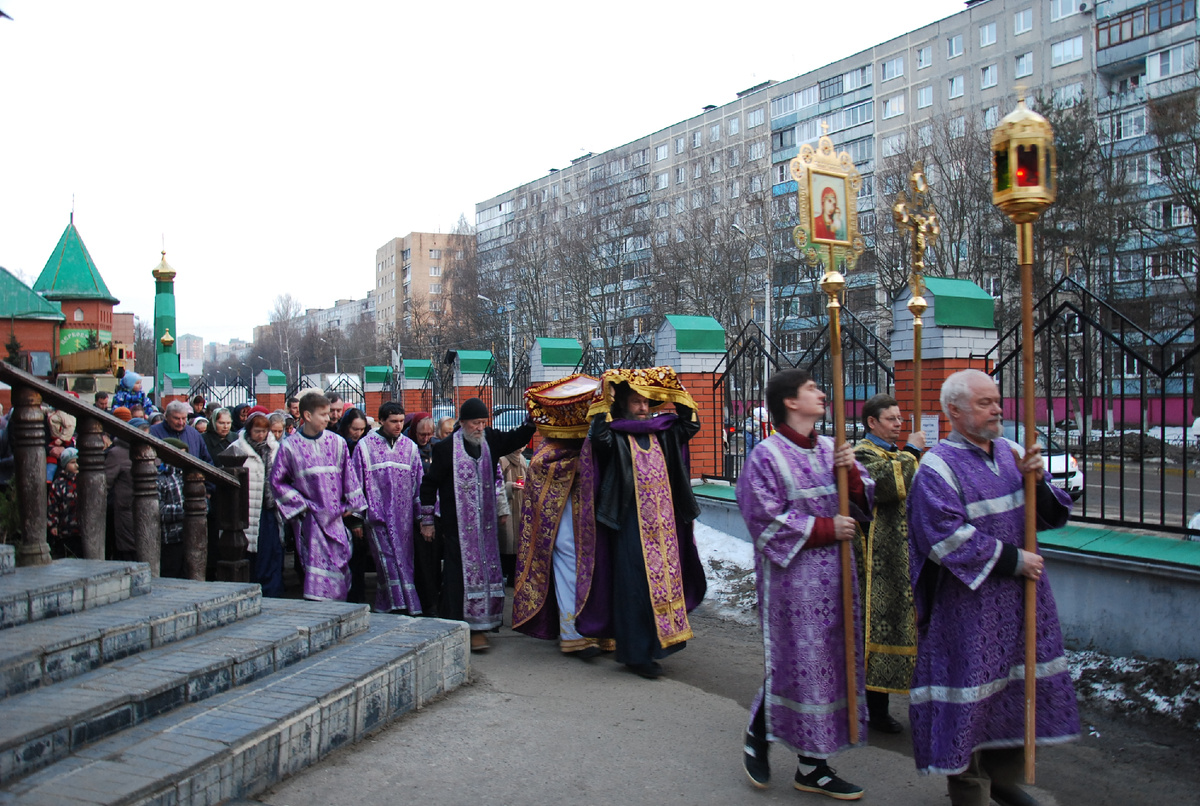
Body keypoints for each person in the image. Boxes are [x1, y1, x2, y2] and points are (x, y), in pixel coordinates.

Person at [906, 369, 1078, 806]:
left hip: (1022, 601)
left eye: (997, 400)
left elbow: (1048, 516)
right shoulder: (937, 467)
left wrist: (1037, 482)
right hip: (968, 606)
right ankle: (969, 790)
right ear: (954, 411)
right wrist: (1014, 560)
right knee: (969, 695)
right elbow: (943, 536)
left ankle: (1001, 780)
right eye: (985, 403)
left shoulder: (1013, 451)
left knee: (1014, 690)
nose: (997, 409)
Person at [736, 368, 873, 799]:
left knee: (829, 665)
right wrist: (827, 528)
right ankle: (760, 733)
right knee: (799, 663)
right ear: (790, 402)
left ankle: (812, 767)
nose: (821, 393)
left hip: (838, 578)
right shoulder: (766, 455)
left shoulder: (833, 448)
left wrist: (852, 476)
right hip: (793, 582)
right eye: (811, 388)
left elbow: (865, 498)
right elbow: (762, 516)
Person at [587, 367, 707, 680]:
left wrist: (673, 387)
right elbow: (598, 436)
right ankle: (636, 655)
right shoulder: (615, 435)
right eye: (636, 402)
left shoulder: (664, 430)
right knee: (634, 587)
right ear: (623, 404)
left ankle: (658, 645)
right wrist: (604, 396)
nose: (642, 408)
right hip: (629, 524)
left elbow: (690, 422)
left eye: (646, 401)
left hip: (665, 526)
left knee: (664, 586)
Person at [419, 398, 535, 651]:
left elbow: (515, 439)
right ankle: (463, 626)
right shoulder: (446, 448)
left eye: (483, 422)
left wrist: (532, 421)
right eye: (475, 423)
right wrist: (427, 521)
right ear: (462, 423)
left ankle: (483, 625)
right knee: (458, 576)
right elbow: (429, 485)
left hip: (486, 527)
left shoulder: (489, 439)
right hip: (457, 527)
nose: (480, 427)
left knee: (487, 573)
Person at [513, 374, 610, 657]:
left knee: (598, 570)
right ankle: (574, 634)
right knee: (569, 564)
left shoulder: (595, 443)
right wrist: (577, 467)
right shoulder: (548, 450)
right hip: (565, 528)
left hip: (594, 525)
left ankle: (600, 632)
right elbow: (541, 476)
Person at [853, 393, 925, 734]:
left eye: (900, 418)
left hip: (905, 556)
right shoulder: (861, 454)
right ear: (872, 422)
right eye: (891, 418)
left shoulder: (897, 454)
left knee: (908, 628)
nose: (899, 424)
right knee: (877, 630)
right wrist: (912, 453)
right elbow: (886, 485)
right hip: (877, 563)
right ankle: (874, 709)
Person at [270, 391, 366, 601]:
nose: (328, 418)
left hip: (336, 518)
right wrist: (302, 505)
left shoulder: (337, 442)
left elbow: (349, 475)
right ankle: (319, 610)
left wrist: (352, 505)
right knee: (317, 571)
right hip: (311, 520)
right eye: (323, 414)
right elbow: (277, 481)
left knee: (340, 568)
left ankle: (339, 611)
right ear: (307, 415)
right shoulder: (290, 446)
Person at [352, 401, 423, 614]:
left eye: (401, 421)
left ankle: (399, 604)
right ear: (382, 420)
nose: (398, 425)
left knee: (405, 561)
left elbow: (418, 482)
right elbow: (355, 483)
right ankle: (397, 605)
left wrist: (422, 516)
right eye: (393, 421)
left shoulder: (410, 447)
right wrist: (356, 519)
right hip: (377, 517)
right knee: (387, 563)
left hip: (404, 518)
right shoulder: (365, 447)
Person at [224, 409, 283, 596]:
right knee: (251, 552)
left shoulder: (274, 449)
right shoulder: (237, 448)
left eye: (264, 431)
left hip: (269, 508)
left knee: (271, 551)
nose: (261, 435)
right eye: (257, 431)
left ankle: (271, 592)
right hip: (248, 509)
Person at [334, 407, 370, 603]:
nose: (358, 433)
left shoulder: (363, 446)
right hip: (343, 509)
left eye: (361, 429)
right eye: (354, 429)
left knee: (358, 556)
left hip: (357, 509)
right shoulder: (340, 445)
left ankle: (357, 595)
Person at [405, 412, 439, 613]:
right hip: (413, 513)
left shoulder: (437, 447)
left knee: (433, 558)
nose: (425, 438)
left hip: (435, 511)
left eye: (429, 434)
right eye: (421, 434)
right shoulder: (408, 448)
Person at [157, 438, 190, 578]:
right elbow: (158, 510)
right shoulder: (160, 479)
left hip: (189, 535)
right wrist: (186, 511)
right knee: (171, 572)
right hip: (169, 538)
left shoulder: (187, 475)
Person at [48, 446, 81, 559]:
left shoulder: (82, 480)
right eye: (72, 462)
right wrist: (53, 524)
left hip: (81, 529)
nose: (76, 465)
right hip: (65, 529)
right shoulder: (58, 483)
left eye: (78, 462)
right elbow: (53, 506)